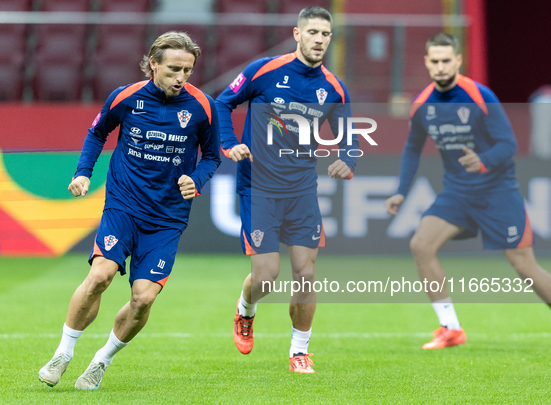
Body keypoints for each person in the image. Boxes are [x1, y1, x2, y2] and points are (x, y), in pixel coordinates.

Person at [38, 31, 220, 389]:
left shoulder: (203, 106)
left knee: (144, 297)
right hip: (123, 203)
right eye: (173, 69)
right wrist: (83, 174)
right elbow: (97, 132)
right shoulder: (126, 96)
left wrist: (197, 179)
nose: (181, 78)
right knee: (101, 274)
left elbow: (212, 155)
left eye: (188, 70)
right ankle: (63, 352)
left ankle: (101, 360)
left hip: (167, 217)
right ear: (153, 64)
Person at [385, 33, 551, 349]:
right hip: (458, 193)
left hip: (497, 191)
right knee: (421, 244)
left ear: (459, 60)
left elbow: (508, 144)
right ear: (426, 62)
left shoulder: (479, 95)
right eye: (435, 61)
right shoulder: (422, 105)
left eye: (447, 60)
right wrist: (401, 191)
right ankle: (450, 328)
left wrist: (483, 160)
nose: (441, 67)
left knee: (524, 266)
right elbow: (412, 148)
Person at [215, 6, 359, 373]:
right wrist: (230, 144)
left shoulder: (333, 87)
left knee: (306, 274)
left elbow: (350, 135)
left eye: (325, 34)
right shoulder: (264, 71)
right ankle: (245, 311)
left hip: (302, 191)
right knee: (266, 276)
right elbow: (221, 104)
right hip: (258, 187)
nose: (319, 40)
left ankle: (299, 351)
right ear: (297, 35)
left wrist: (349, 160)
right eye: (312, 32)